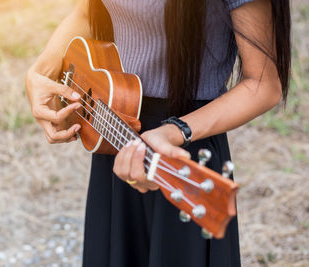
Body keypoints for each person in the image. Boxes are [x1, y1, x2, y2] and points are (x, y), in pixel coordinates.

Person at [25, 0, 291, 266]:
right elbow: (87, 10)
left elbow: (264, 84)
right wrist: (40, 72)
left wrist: (175, 131)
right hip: (111, 132)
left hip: (181, 150)